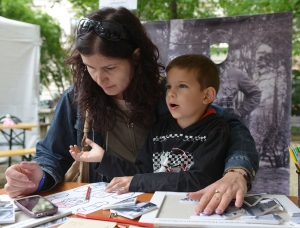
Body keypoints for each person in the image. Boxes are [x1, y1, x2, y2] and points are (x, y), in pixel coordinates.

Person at [4, 7, 258, 215]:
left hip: (169, 207)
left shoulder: (167, 93)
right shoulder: (77, 98)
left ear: (136, 56)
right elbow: (53, 153)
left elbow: (231, 126)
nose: (99, 79)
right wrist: (38, 176)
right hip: (104, 211)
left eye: (110, 68)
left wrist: (237, 172)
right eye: (90, 67)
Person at [69, 54, 229, 194]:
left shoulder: (215, 130)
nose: (171, 93)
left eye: (182, 86)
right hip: (154, 209)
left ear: (207, 95)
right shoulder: (160, 129)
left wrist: (139, 182)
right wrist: (103, 159)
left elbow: (198, 180)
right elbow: (142, 173)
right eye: (168, 86)